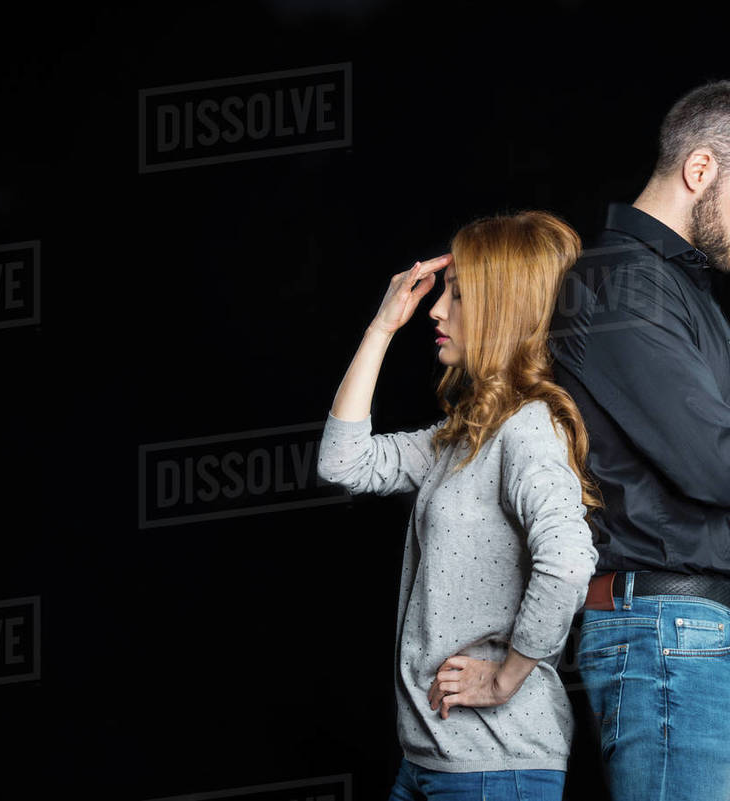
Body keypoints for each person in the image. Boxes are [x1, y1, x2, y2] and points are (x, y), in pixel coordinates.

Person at [547, 79, 730, 800]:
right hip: (669, 636)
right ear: (700, 170)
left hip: (718, 640)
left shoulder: (683, 293)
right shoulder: (615, 284)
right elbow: (726, 469)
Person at [316, 210, 603, 801]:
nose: (436, 310)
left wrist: (504, 680)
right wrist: (380, 330)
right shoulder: (463, 434)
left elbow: (570, 562)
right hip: (429, 758)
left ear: (504, 309)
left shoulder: (528, 429)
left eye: (460, 296)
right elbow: (341, 464)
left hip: (497, 764)